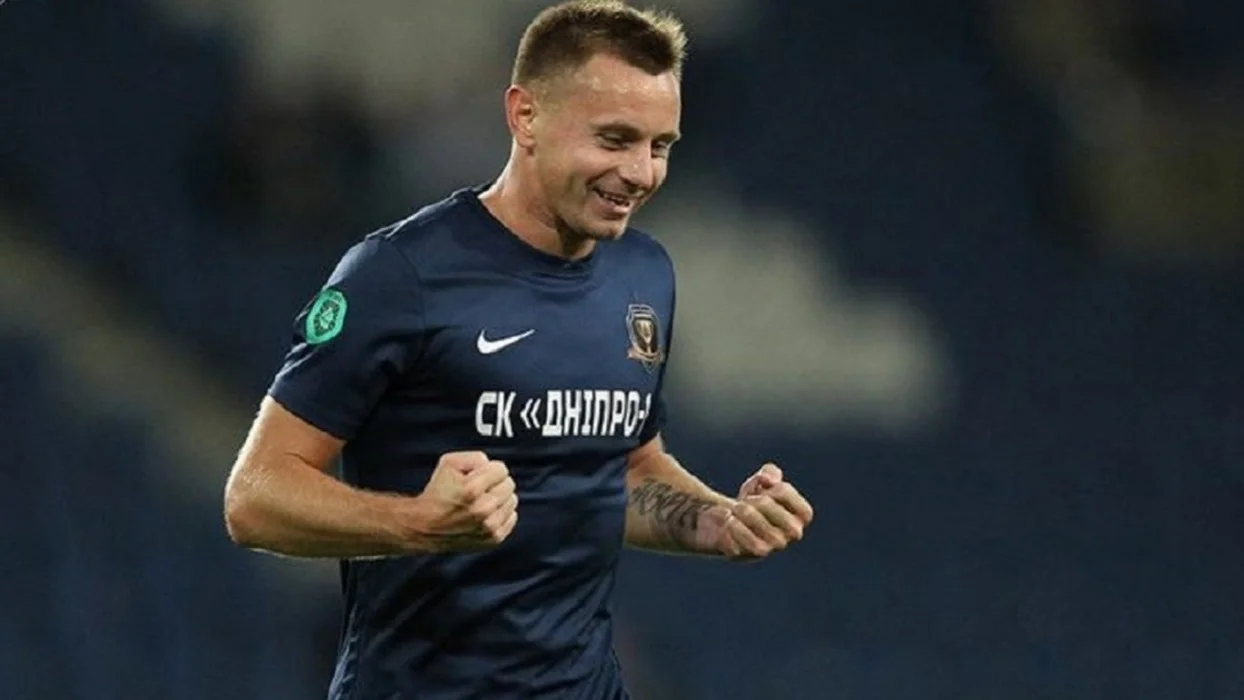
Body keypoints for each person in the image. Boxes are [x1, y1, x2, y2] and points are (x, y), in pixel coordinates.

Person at [223, 1, 815, 698]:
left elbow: (622, 469)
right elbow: (254, 497)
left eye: (660, 146)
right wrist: (419, 523)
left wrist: (715, 521)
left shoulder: (644, 275)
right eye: (615, 139)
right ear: (525, 115)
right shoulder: (400, 274)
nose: (640, 172)